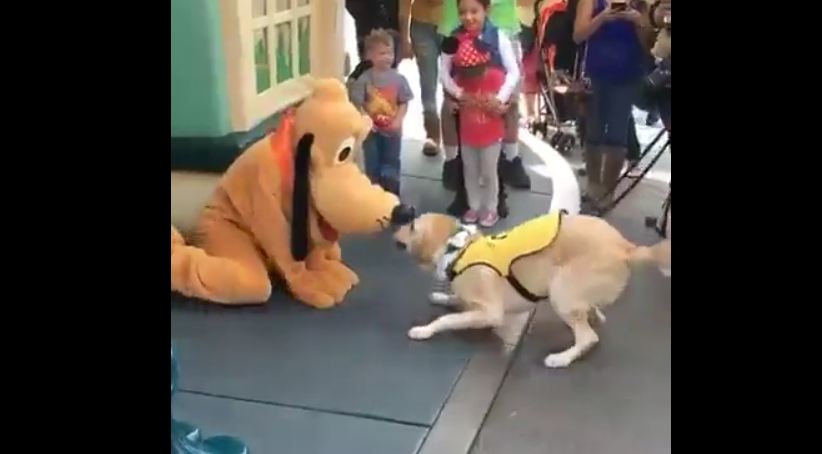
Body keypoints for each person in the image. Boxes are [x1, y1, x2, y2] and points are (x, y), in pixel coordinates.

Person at [440, 0, 521, 227]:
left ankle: (492, 206)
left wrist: (501, 98)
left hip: (492, 109)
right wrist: (457, 93)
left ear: (486, 10)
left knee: (491, 166)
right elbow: (444, 72)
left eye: (474, 11)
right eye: (463, 12)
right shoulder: (453, 39)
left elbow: (513, 71)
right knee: (469, 166)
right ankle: (473, 205)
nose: (468, 17)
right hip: (467, 111)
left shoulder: (498, 37)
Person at [573, 0, 652, 207]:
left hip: (628, 75)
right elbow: (578, 34)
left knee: (617, 135)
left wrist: (638, 21)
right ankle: (593, 186)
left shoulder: (640, 3)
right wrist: (602, 18)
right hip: (595, 73)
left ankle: (608, 191)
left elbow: (651, 43)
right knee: (594, 131)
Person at [349, 29, 414, 196]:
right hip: (371, 133)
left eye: (390, 52)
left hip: (393, 132)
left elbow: (404, 102)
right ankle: (374, 195)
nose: (387, 57)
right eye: (382, 53)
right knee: (372, 163)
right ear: (369, 55)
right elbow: (357, 102)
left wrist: (398, 120)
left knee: (391, 163)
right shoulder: (364, 79)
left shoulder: (399, 80)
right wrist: (366, 121)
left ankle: (392, 196)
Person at [399, 0, 445, 157]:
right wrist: (405, 38)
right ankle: (432, 134)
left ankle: (458, 133)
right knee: (428, 82)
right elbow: (404, 4)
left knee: (454, 81)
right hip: (422, 26)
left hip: (452, 24)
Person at [346, 0, 401, 80]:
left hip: (392, 26)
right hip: (367, 28)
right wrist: (369, 25)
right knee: (368, 67)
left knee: (390, 72)